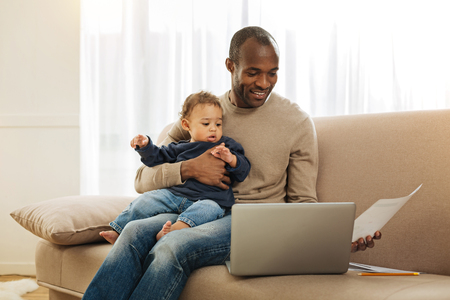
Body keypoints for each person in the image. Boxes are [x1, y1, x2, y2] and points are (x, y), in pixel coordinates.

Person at [83, 26, 381, 300]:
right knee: (133, 232)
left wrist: (335, 238)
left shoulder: (296, 122)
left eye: (272, 73)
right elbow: (142, 180)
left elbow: (303, 200)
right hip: (195, 208)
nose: (264, 83)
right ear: (230, 66)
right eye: (253, 72)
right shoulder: (204, 115)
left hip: (250, 223)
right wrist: (189, 169)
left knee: (172, 246)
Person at [100, 91, 251, 244]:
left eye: (218, 124)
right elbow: (156, 158)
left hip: (211, 198)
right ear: (186, 125)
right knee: (147, 200)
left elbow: (243, 171)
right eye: (206, 124)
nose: (213, 129)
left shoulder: (226, 146)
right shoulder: (180, 147)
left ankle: (176, 228)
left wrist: (231, 158)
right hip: (175, 195)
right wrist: (145, 146)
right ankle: (118, 230)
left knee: (209, 209)